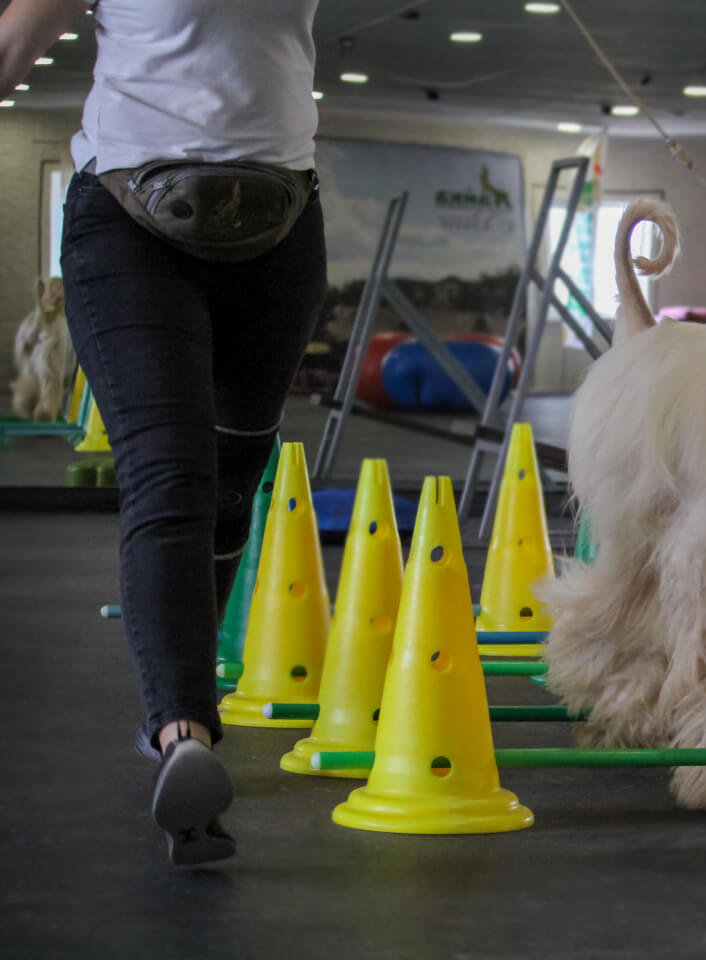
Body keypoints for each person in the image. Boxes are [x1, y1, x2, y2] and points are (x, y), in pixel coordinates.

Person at [0, 0, 326, 864]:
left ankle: (182, 703)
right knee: (171, 472)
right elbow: (10, 46)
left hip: (280, 222)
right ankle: (185, 730)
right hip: (129, 218)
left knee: (233, 478)